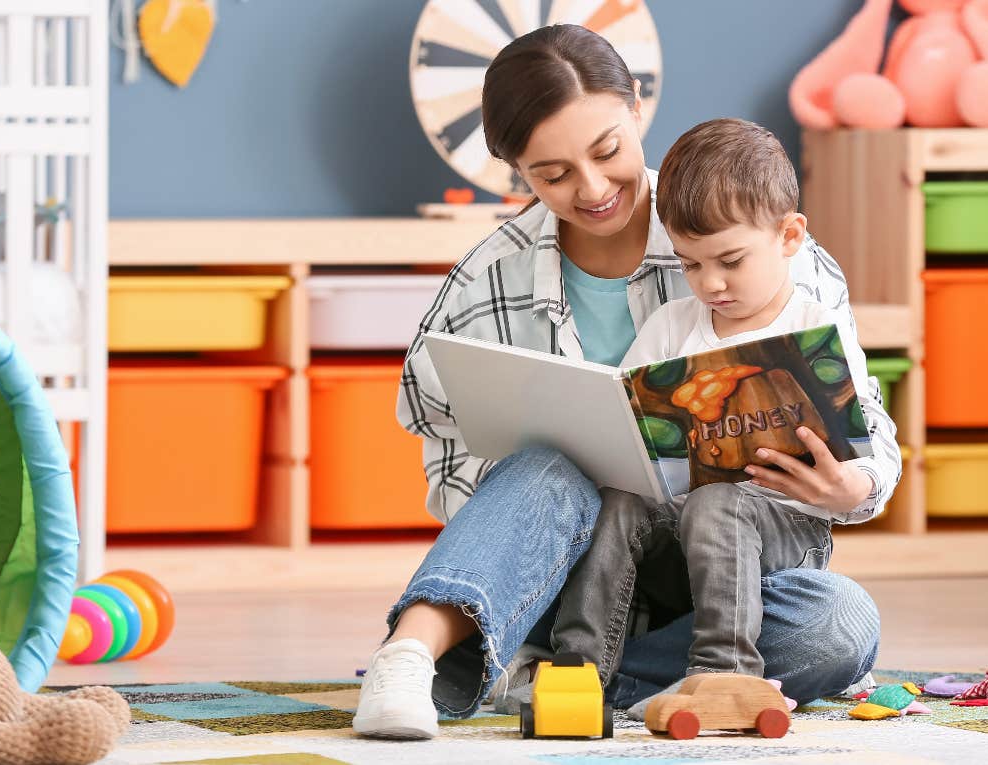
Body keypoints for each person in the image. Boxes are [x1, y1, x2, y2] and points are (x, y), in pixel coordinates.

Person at [352, 24, 887, 741]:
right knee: (548, 466)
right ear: (517, 171)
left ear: (636, 107)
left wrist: (853, 491)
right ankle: (409, 655)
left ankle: (567, 678)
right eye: (553, 174)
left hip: (727, 586)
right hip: (562, 571)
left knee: (838, 622)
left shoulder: (765, 242)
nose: (594, 188)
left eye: (606, 151)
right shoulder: (488, 279)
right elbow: (447, 460)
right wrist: (548, 498)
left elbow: (866, 430)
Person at [528, 118, 900, 716]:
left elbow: (874, 445)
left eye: (730, 260)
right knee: (622, 502)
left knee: (822, 610)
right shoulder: (670, 328)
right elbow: (624, 436)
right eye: (691, 264)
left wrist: (851, 486)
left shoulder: (814, 327)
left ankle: (723, 677)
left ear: (788, 236)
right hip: (676, 546)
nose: (711, 284)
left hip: (782, 540)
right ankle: (578, 679)